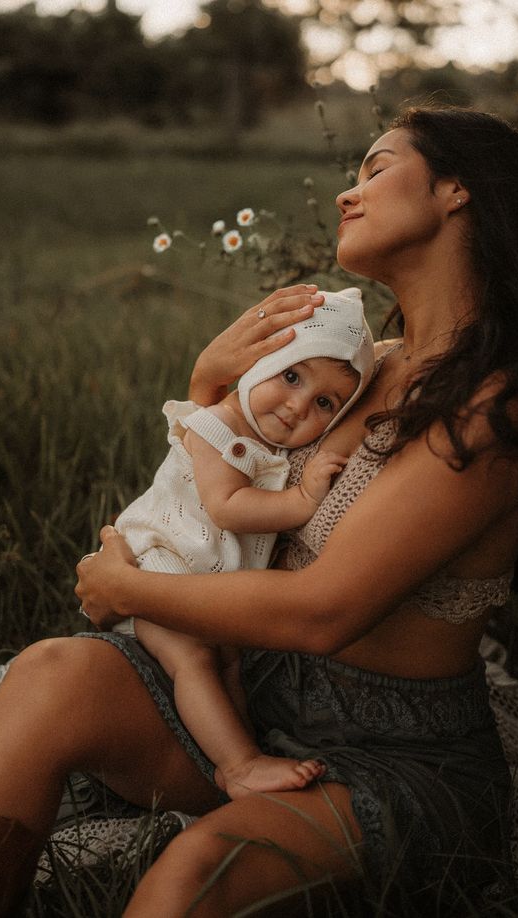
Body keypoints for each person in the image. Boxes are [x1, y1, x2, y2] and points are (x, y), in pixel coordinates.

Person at [0, 106, 518, 918]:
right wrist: (206, 389)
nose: (347, 193)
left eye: (375, 168)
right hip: (255, 701)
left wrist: (124, 591)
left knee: (191, 878)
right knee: (52, 673)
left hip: (394, 756)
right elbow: (224, 498)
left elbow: (322, 609)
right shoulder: (361, 367)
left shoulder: (494, 407)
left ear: (456, 190)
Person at [104, 288, 375, 799]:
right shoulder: (215, 426)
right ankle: (239, 765)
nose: (297, 406)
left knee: (228, 660)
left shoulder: (265, 438)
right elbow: (229, 505)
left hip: (204, 580)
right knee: (194, 660)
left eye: (324, 403)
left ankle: (238, 749)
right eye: (291, 376)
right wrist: (302, 498)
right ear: (258, 364)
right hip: (160, 570)